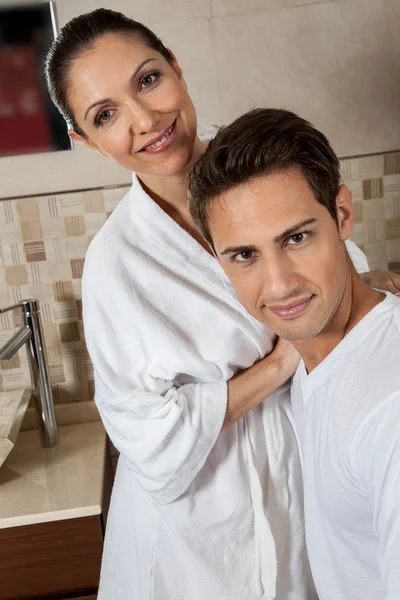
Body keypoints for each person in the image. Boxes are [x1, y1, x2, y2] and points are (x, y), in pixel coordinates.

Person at [44, 9, 400, 600]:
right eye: (105, 115)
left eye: (148, 80)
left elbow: (336, 279)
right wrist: (279, 364)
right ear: (86, 142)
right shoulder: (117, 265)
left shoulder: (255, 166)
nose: (144, 119)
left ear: (177, 68)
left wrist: (373, 286)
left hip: (307, 475)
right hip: (200, 532)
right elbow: (148, 440)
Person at [188, 107, 400, 600]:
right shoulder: (317, 361)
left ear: (342, 215)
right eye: (245, 255)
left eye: (297, 238)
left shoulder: (389, 410)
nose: (280, 285)